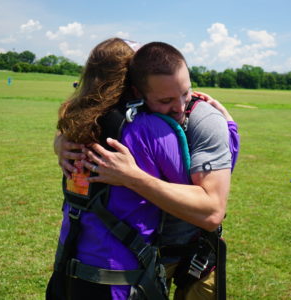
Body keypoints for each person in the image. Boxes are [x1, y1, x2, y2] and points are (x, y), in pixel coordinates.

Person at [55, 42, 240, 299]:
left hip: (190, 250)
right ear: (136, 92)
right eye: (165, 100)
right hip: (144, 255)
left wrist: (228, 129)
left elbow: (210, 209)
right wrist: (61, 141)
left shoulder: (204, 121)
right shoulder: (140, 126)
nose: (181, 107)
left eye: (186, 93)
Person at [46, 38, 190, 299]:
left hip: (66, 272)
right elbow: (191, 192)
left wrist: (58, 142)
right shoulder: (152, 129)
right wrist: (229, 130)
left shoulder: (73, 125)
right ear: (134, 82)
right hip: (120, 283)